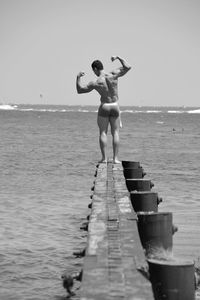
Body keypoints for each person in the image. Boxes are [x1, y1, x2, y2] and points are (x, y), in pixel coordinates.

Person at [76, 55, 131, 164]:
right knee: (115, 132)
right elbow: (128, 67)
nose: (94, 73)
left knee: (103, 133)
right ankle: (115, 159)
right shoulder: (113, 74)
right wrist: (118, 57)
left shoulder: (96, 82)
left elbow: (80, 90)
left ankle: (104, 159)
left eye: (93, 71)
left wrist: (78, 77)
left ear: (95, 69)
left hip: (104, 106)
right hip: (115, 106)